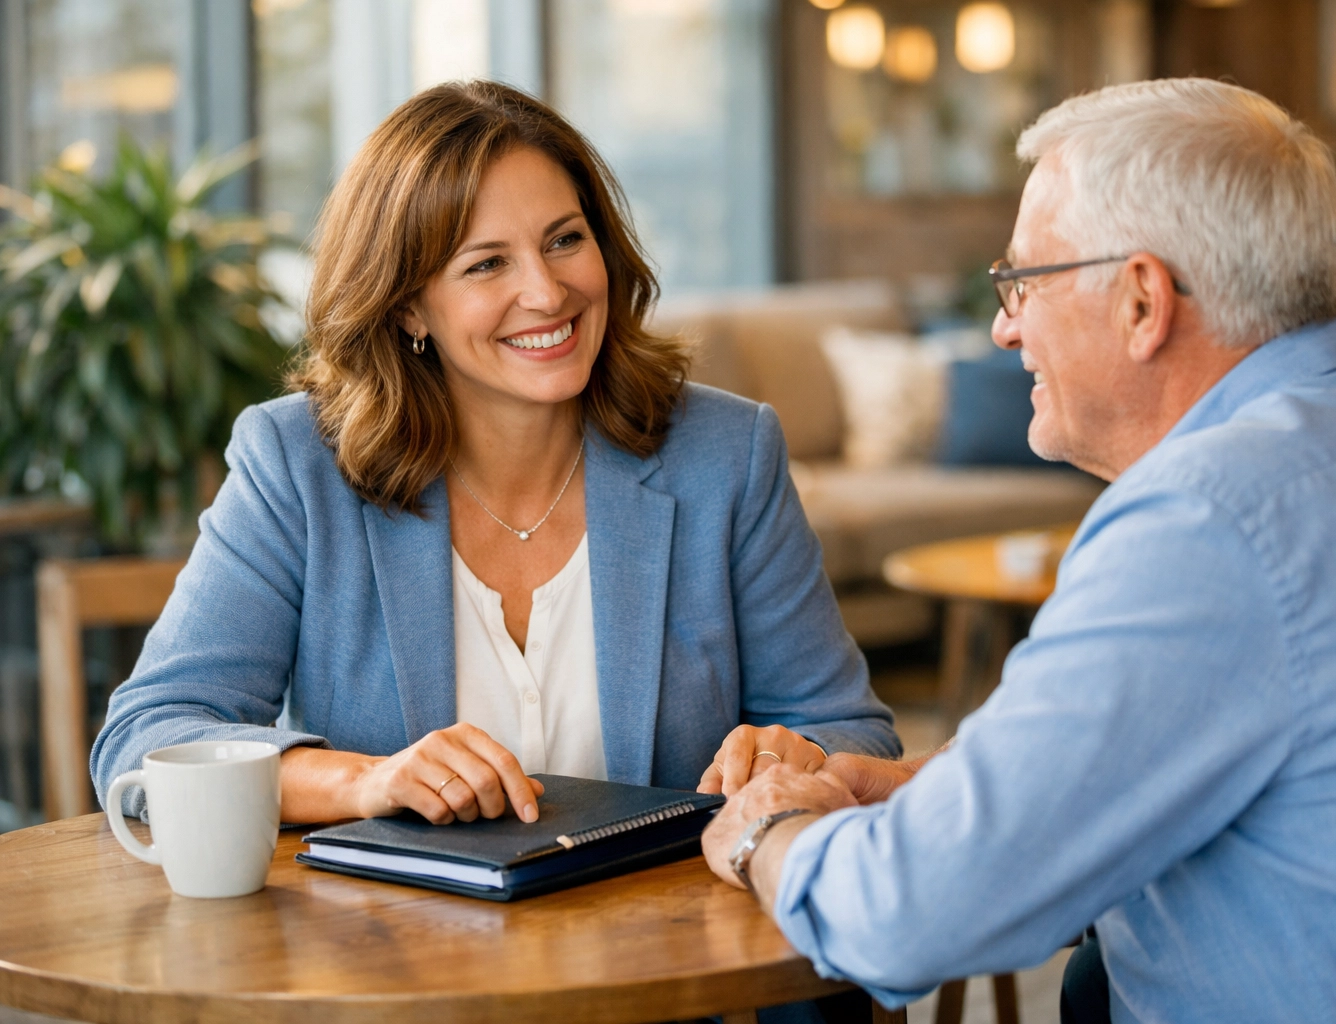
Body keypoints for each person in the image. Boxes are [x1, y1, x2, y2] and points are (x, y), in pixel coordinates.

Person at [700, 78, 1336, 1024]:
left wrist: (768, 833)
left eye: (1022, 283)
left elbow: (906, 916)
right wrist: (905, 785)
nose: (1002, 326)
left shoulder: (1209, 520)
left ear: (1142, 300)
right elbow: (1171, 749)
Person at [91, 80, 899, 833]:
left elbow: (854, 729)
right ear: (408, 304)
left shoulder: (725, 454)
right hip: (398, 963)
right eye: (487, 264)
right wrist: (364, 782)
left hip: (673, 955)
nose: (547, 293)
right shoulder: (295, 465)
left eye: (564, 240)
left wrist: (807, 756)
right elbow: (144, 740)